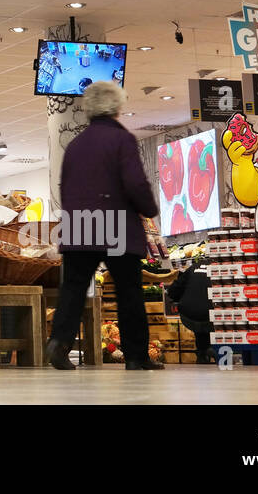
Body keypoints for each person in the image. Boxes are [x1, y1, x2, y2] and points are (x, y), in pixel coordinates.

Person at [46, 80, 162, 371]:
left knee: (73, 289)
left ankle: (59, 343)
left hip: (81, 225)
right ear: (117, 106)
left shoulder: (74, 145)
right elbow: (135, 182)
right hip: (116, 225)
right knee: (128, 291)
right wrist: (149, 209)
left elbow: (66, 188)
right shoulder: (122, 140)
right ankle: (136, 356)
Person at [169, 260, 215, 363]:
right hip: (213, 315)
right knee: (207, 317)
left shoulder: (193, 267)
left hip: (188, 314)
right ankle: (211, 349)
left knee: (199, 322)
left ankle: (202, 353)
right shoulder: (223, 268)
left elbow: (173, 291)